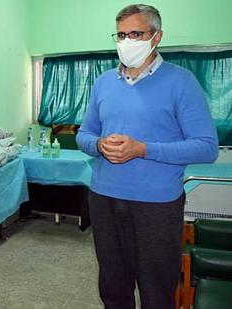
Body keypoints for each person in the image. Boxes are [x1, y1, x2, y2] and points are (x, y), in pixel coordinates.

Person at [76, 4, 219, 309]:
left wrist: (143, 149)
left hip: (157, 206)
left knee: (156, 291)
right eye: (121, 34)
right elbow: (83, 135)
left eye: (136, 34)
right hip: (103, 199)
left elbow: (207, 147)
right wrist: (99, 145)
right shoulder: (103, 82)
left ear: (156, 37)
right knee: (113, 288)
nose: (127, 42)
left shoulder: (181, 82)